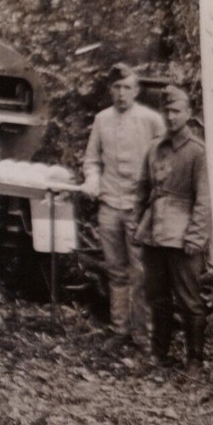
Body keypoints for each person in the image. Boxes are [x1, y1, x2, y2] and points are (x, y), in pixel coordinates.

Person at [80, 63, 166, 351]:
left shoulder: (152, 121)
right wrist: (92, 179)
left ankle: (144, 337)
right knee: (115, 270)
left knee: (140, 273)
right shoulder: (102, 119)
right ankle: (120, 329)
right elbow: (91, 159)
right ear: (110, 90)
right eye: (116, 87)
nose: (121, 94)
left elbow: (165, 164)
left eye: (127, 87)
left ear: (136, 90)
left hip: (139, 208)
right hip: (109, 205)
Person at [133, 85, 210, 375]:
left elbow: (205, 199)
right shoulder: (154, 147)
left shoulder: (198, 152)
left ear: (189, 114)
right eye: (167, 110)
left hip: (183, 237)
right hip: (153, 233)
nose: (171, 116)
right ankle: (159, 354)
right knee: (157, 297)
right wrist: (136, 223)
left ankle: (195, 360)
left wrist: (196, 236)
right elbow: (142, 188)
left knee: (190, 300)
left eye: (177, 110)